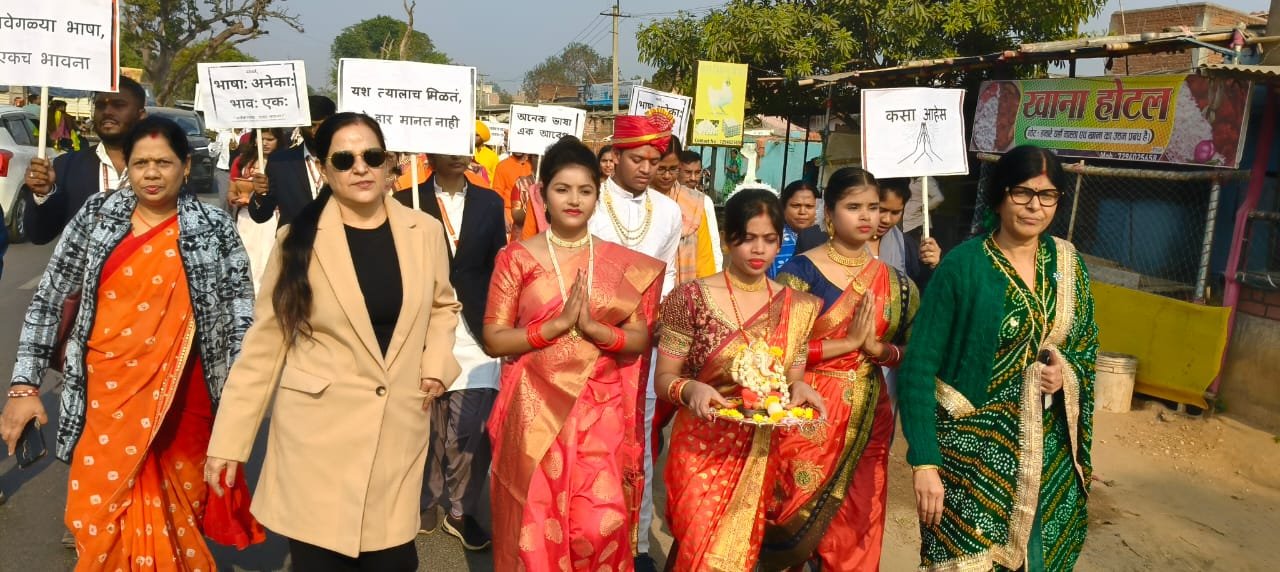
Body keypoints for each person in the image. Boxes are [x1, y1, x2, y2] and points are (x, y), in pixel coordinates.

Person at [204, 112, 463, 571]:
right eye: (344, 160)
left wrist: (437, 364)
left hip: (396, 433)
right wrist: (229, 441)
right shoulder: (297, 241)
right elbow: (265, 346)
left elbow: (444, 305)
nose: (360, 168)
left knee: (394, 562)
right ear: (324, 169)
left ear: (390, 164)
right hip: (316, 440)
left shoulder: (423, 231)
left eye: (372, 156)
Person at [1, 116, 260, 570]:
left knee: (176, 518)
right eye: (141, 163)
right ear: (129, 167)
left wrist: (239, 409)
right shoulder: (97, 215)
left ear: (185, 166)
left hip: (183, 404)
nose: (151, 173)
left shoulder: (214, 227)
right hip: (104, 398)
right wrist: (24, 387)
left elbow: (239, 318)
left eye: (164, 162)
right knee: (97, 519)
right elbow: (49, 299)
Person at [899, 145, 1098, 571]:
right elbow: (918, 367)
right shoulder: (963, 266)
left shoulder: (1068, 263)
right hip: (968, 459)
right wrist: (925, 462)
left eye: (1047, 195)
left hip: (1046, 455)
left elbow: (1085, 345)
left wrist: (1064, 373)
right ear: (999, 196)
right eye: (1022, 192)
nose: (1034, 206)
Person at [483, 135, 665, 571]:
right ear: (542, 193)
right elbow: (494, 338)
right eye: (562, 189)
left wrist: (596, 330)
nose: (574, 200)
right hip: (534, 408)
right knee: (535, 523)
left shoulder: (620, 262)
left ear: (597, 197)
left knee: (597, 524)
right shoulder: (516, 258)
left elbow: (639, 339)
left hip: (599, 411)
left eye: (585, 190)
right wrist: (555, 326)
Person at [654, 188, 826, 570]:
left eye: (769, 239)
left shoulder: (796, 307)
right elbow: (663, 378)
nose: (759, 249)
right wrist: (690, 388)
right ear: (727, 239)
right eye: (748, 238)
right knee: (700, 546)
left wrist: (800, 387)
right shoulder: (690, 298)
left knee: (733, 556)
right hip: (701, 445)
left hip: (758, 451)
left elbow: (792, 379)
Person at [765, 167, 919, 570]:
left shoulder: (897, 284)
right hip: (808, 407)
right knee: (791, 515)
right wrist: (847, 344)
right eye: (854, 207)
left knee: (859, 518)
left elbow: (914, 352)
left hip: (870, 413)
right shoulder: (800, 273)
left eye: (874, 207)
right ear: (829, 213)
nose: (867, 216)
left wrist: (878, 350)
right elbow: (777, 351)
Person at [396, 152, 507, 551]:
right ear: (430, 151)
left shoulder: (490, 202)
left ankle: (461, 510)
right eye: (451, 146)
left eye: (465, 146)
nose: (460, 155)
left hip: (476, 329)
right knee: (425, 425)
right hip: (424, 328)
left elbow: (499, 265)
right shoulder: (405, 200)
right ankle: (425, 500)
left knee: (470, 428)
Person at [588, 114, 684, 571]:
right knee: (593, 441)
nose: (647, 168)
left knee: (639, 442)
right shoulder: (589, 201)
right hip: (591, 341)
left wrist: (661, 319)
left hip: (643, 344)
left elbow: (668, 274)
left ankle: (637, 543)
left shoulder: (668, 211)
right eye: (637, 159)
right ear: (616, 157)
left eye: (654, 160)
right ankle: (590, 539)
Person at [19, 76, 148, 245]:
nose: (107, 111)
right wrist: (43, 194)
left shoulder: (163, 169)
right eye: (100, 106)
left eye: (118, 105)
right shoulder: (66, 166)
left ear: (141, 115)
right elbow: (39, 235)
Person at [246, 95, 336, 226]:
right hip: (294, 238)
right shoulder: (280, 162)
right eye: (311, 125)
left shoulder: (348, 160)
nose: (316, 132)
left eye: (322, 125)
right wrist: (260, 195)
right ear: (300, 125)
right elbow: (261, 216)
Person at [652, 134, 722, 285]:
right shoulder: (638, 200)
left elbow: (704, 258)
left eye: (673, 169)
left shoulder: (695, 203)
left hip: (686, 290)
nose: (667, 175)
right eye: (661, 169)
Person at [229, 128, 286, 292]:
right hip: (246, 219)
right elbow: (231, 191)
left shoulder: (285, 163)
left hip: (272, 218)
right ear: (254, 140)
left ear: (279, 141)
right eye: (261, 139)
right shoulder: (241, 161)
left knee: (268, 257)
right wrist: (236, 199)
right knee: (247, 256)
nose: (265, 143)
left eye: (270, 139)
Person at [872, 178, 941, 290]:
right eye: (881, 210)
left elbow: (917, 288)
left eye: (895, 212)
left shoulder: (906, 245)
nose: (886, 219)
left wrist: (931, 265)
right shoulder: (848, 243)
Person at [770, 180, 830, 278]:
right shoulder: (772, 237)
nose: (802, 212)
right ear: (783, 207)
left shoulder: (828, 238)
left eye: (809, 206)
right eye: (796, 206)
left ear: (819, 208)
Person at [492, 151, 534, 240]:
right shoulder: (502, 166)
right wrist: (503, 217)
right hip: (508, 215)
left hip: (529, 217)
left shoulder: (532, 166)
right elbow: (497, 193)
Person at [902, 176, 944, 240]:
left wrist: (923, 208)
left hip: (919, 223)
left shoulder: (926, 179)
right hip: (908, 224)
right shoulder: (910, 179)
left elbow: (939, 198)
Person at [473, 121, 500, 185]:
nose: (474, 137)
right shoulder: (466, 153)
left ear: (483, 138)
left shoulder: (492, 155)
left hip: (485, 188)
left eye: (477, 135)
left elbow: (496, 176)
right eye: (472, 134)